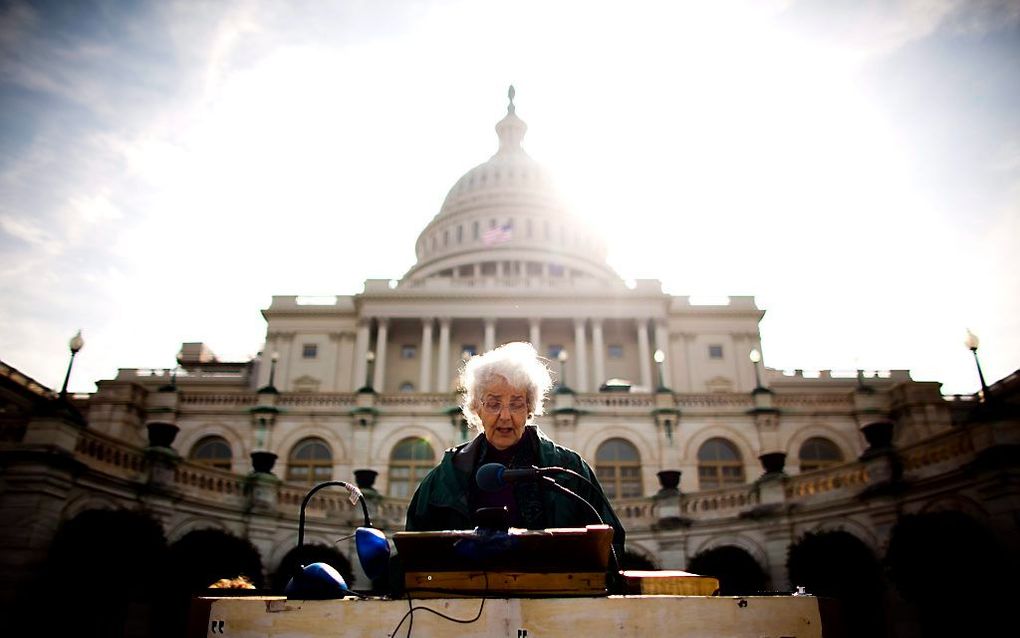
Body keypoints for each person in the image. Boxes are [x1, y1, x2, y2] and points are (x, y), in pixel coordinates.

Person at [405, 342, 626, 559]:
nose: (505, 416)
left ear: (530, 409)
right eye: (493, 404)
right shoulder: (445, 477)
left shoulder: (569, 469)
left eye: (516, 404)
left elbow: (610, 544)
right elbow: (413, 553)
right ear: (476, 409)